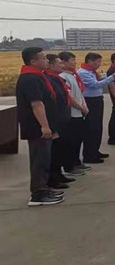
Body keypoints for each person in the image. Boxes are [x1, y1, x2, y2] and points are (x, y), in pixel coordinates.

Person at [16, 47, 63, 206]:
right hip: (37, 127)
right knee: (39, 161)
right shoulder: (30, 78)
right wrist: (45, 126)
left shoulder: (37, 76)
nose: (46, 61)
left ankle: (43, 188)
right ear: (33, 61)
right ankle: (38, 195)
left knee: (44, 159)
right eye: (43, 58)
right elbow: (36, 104)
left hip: (42, 126)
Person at [78, 53, 115, 163]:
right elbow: (95, 85)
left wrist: (105, 77)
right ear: (90, 61)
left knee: (97, 128)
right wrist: (111, 77)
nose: (99, 64)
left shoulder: (91, 72)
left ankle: (95, 151)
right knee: (91, 128)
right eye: (97, 62)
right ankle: (89, 155)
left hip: (96, 100)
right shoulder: (83, 72)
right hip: (89, 101)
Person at [43, 54, 74, 189]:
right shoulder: (48, 79)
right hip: (56, 121)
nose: (62, 65)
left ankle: (59, 174)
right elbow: (50, 104)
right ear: (50, 65)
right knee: (55, 151)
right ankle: (53, 178)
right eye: (59, 63)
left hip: (63, 119)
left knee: (62, 149)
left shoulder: (57, 79)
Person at [58, 52, 91, 176]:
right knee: (71, 141)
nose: (74, 62)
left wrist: (84, 106)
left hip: (79, 112)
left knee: (78, 140)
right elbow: (69, 97)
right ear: (64, 62)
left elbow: (79, 93)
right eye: (72, 60)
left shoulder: (73, 75)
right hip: (72, 114)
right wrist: (81, 108)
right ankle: (70, 166)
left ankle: (77, 162)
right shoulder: (63, 77)